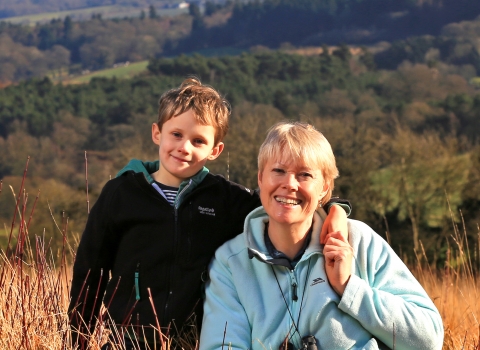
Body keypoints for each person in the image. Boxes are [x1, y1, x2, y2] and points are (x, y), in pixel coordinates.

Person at [68, 78, 351, 349]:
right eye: (176, 135)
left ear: (215, 150)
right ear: (157, 132)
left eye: (198, 141)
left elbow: (283, 201)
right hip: (127, 341)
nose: (184, 148)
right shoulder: (121, 194)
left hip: (195, 342)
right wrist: (77, 342)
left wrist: (336, 208)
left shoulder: (225, 199)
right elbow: (90, 271)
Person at [199, 121, 444, 350]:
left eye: (305, 175)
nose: (290, 184)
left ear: (325, 188)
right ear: (260, 179)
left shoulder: (358, 242)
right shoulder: (231, 262)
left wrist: (349, 287)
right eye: (278, 171)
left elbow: (428, 338)